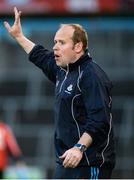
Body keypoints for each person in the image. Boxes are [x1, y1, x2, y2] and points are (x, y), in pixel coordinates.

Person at [4, 7, 116, 179]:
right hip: (66, 161)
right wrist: (19, 36)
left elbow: (99, 121)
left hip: (88, 163)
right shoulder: (62, 71)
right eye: (55, 42)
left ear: (78, 46)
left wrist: (79, 148)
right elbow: (40, 56)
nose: (55, 47)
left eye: (61, 43)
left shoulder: (91, 75)